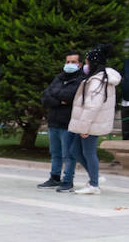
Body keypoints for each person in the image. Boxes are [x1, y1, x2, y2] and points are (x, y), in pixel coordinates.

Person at [66, 44, 122, 195]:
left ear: (93, 63)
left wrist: (84, 128)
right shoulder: (97, 78)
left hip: (90, 124)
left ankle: (94, 184)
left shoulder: (98, 81)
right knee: (75, 150)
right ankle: (94, 177)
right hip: (88, 123)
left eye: (86, 62)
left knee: (88, 152)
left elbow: (93, 106)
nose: (85, 65)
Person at [38, 51, 87, 190]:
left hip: (68, 123)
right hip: (53, 121)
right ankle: (54, 177)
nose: (69, 65)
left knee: (68, 154)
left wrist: (56, 96)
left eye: (73, 62)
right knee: (55, 153)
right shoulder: (58, 78)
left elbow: (71, 96)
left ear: (80, 64)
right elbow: (45, 96)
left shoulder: (81, 80)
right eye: (68, 62)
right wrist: (60, 100)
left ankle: (68, 180)